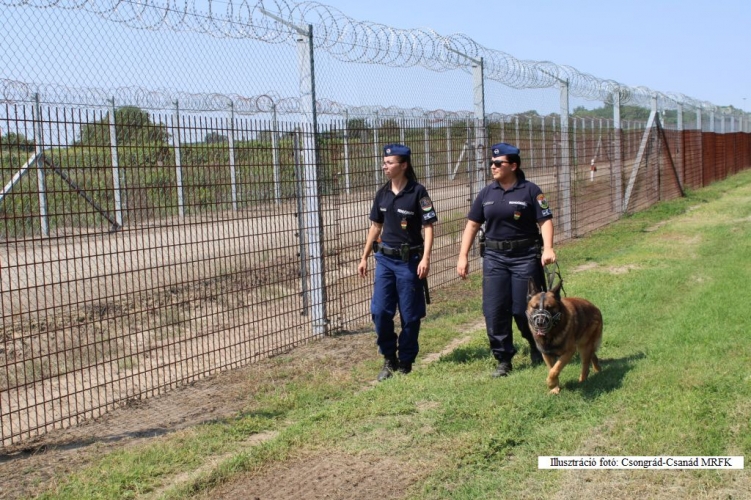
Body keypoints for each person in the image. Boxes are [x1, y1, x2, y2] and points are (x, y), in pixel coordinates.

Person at [456, 142, 556, 377]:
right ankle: (503, 359)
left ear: (513, 165)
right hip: (494, 258)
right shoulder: (487, 193)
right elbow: (472, 225)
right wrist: (462, 256)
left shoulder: (530, 191)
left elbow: (545, 221)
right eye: (492, 163)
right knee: (494, 310)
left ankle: (536, 343)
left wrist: (548, 248)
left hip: (525, 256)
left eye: (498, 163)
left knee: (523, 310)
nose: (493, 166)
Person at [358, 144, 437, 382]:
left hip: (409, 261)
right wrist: (363, 257)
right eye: (384, 162)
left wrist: (426, 258)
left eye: (390, 162)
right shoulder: (382, 193)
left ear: (404, 165)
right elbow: (376, 226)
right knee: (380, 312)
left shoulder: (418, 192)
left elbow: (429, 227)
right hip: (384, 260)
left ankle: (406, 361)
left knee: (410, 315)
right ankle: (389, 357)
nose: (385, 166)